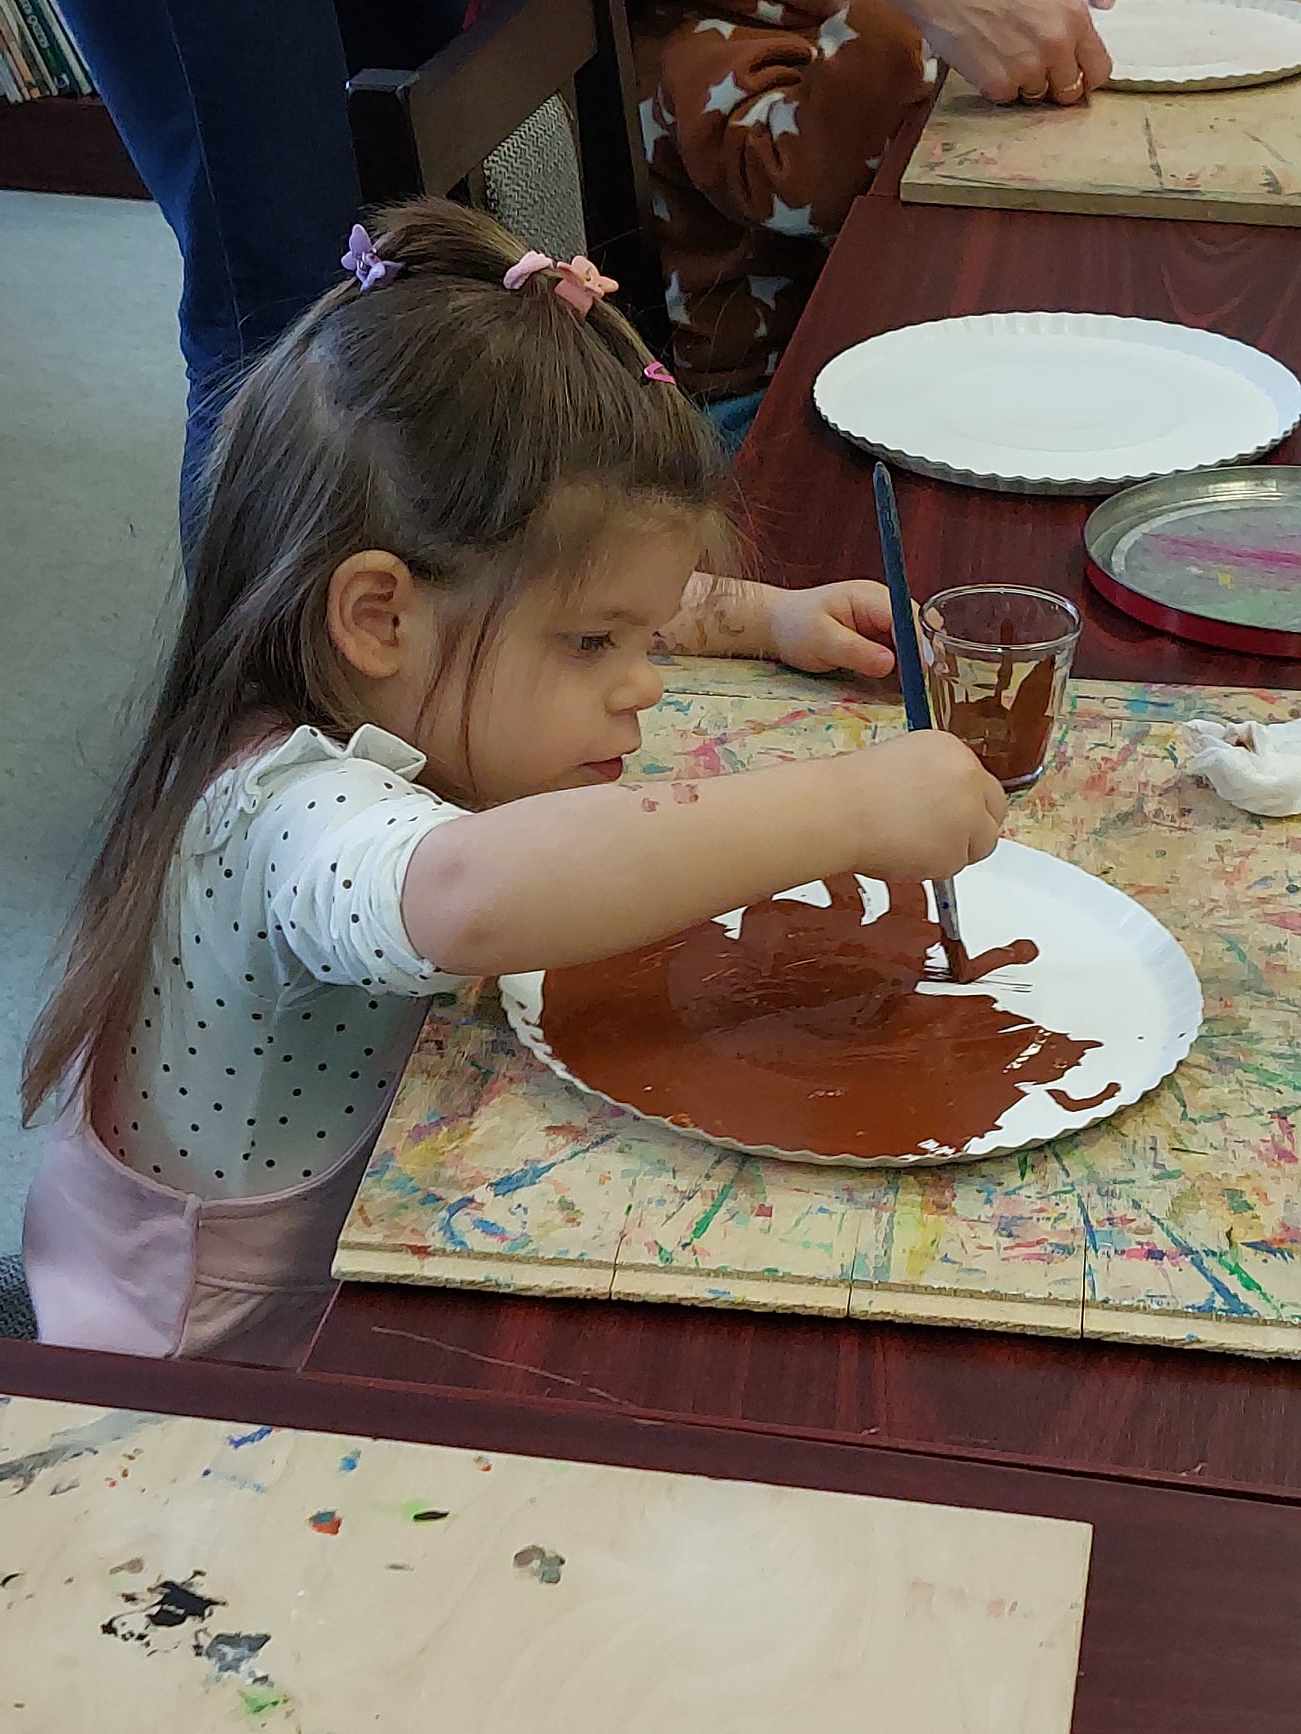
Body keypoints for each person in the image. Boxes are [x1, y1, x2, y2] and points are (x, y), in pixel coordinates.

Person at [22, 200, 1007, 1366]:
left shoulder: (378, 656)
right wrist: (845, 806)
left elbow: (565, 594)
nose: (640, 681)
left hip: (363, 1242)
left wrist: (763, 615)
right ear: (377, 616)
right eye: (595, 646)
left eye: (640, 632)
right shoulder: (279, 813)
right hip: (206, 1373)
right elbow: (467, 897)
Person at [634, 0, 1113, 441]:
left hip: (865, 345)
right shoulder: (694, 42)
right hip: (759, 403)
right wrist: (902, 16)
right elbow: (796, 185)